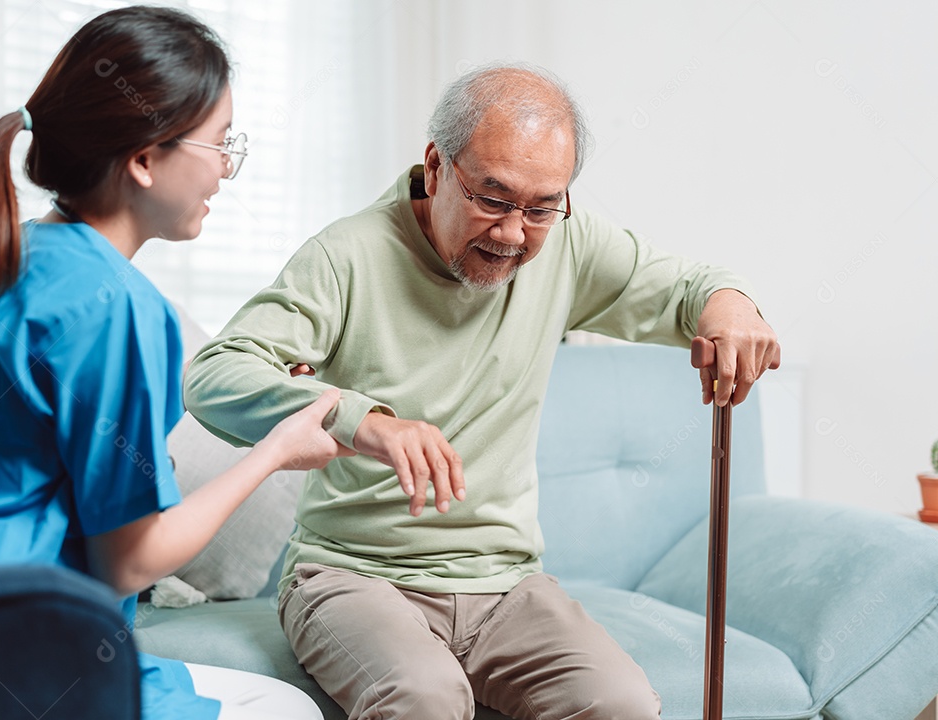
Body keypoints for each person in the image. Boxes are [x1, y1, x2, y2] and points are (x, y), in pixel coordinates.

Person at [184, 63, 779, 720]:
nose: (513, 233)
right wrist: (363, 421)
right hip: (353, 574)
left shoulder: (567, 245)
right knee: (425, 697)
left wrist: (731, 306)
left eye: (542, 207)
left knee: (620, 704)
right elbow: (215, 374)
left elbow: (692, 288)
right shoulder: (346, 255)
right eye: (492, 199)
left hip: (506, 586)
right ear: (436, 166)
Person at [0, 7, 348, 720]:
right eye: (219, 143)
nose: (225, 167)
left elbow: (50, 449)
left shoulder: (17, 252)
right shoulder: (118, 306)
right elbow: (131, 562)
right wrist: (274, 453)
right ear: (144, 160)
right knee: (289, 710)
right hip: (7, 662)